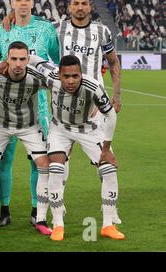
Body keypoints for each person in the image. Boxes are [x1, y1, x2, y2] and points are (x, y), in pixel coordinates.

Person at [31, 54, 124, 241]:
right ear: (59, 75)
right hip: (60, 129)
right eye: (66, 76)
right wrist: (13, 60)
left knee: (109, 170)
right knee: (56, 168)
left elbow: (111, 115)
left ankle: (108, 225)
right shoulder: (50, 77)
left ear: (81, 74)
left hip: (88, 129)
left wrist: (106, 149)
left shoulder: (93, 87)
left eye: (75, 76)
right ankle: (58, 225)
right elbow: (35, 60)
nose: (71, 81)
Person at [0, 0, 60, 227]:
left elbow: (57, 61)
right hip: (5, 108)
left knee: (38, 161)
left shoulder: (46, 29)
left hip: (38, 108)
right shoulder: (1, 29)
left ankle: (35, 210)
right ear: (12, 3)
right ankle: (4, 210)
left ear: (33, 2)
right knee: (3, 159)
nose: (22, 3)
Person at [54, 0, 122, 216]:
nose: (80, 7)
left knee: (103, 156)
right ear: (70, 7)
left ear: (90, 6)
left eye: (84, 3)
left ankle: (110, 213)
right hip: (64, 103)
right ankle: (58, 205)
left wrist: (117, 94)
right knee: (61, 156)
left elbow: (113, 63)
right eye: (76, 4)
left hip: (94, 105)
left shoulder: (101, 31)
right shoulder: (58, 29)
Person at [0, 41, 52, 236]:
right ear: (7, 59)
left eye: (23, 59)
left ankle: (41, 218)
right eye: (14, 59)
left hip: (29, 126)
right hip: (0, 126)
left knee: (44, 165)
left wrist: (39, 63)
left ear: (28, 60)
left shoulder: (37, 76)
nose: (18, 64)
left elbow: (60, 78)